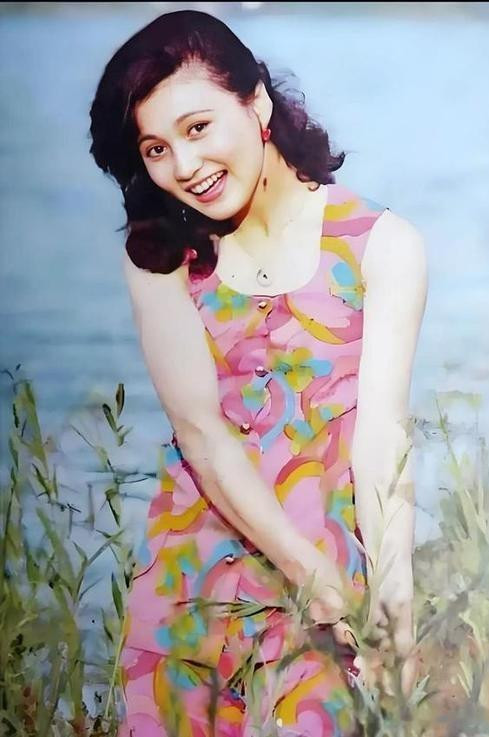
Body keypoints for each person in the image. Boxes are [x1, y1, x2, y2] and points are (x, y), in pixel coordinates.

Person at [89, 9, 428, 736]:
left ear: (258, 103)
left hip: (328, 615)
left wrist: (391, 610)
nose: (185, 166)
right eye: (156, 148)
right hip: (188, 600)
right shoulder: (162, 256)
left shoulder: (379, 245)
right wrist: (316, 578)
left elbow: (383, 443)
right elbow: (202, 435)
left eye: (198, 128)